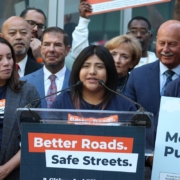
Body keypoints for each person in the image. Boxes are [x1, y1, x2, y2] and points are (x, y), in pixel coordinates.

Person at [125, 20, 180, 168]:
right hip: (145, 166)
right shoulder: (137, 76)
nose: (165, 49)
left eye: (172, 44)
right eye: (161, 43)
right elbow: (127, 121)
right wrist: (147, 156)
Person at [51, 45, 136, 115]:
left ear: (109, 72)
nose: (92, 72)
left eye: (99, 67)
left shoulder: (124, 105)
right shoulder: (63, 101)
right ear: (78, 70)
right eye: (86, 66)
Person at [71, 1, 156, 68]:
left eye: (143, 31)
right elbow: (80, 54)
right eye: (133, 31)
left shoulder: (156, 61)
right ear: (127, 35)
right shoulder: (111, 59)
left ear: (150, 37)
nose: (138, 35)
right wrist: (83, 19)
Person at [0, 37, 40, 179]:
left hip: (15, 172)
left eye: (9, 57)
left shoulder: (28, 92)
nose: (6, 63)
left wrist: (5, 169)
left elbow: (34, 139)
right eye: (0, 58)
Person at [21, 27, 71, 108]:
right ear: (41, 49)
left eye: (57, 45)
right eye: (47, 44)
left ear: (67, 50)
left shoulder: (79, 82)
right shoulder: (24, 82)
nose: (51, 49)